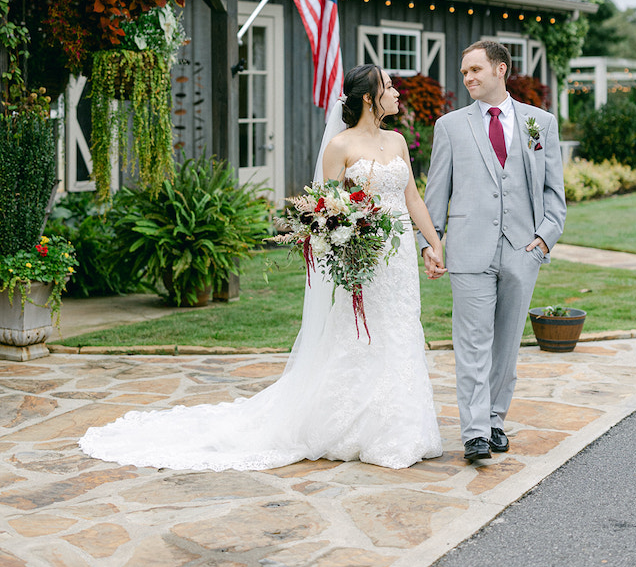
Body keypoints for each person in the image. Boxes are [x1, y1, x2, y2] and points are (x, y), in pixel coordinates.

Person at [79, 64, 444, 471]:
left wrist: (433, 243)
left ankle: (401, 427)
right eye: (389, 87)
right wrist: (345, 236)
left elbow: (412, 198)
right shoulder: (339, 147)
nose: (397, 92)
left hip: (398, 258)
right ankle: (348, 425)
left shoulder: (397, 142)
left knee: (400, 330)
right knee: (360, 334)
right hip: (363, 258)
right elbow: (326, 210)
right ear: (367, 97)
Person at [419, 40, 566, 464]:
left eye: (475, 70)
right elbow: (436, 192)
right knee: (472, 342)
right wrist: (431, 242)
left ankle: (495, 419)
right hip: (469, 252)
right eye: (464, 72)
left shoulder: (541, 123)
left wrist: (543, 239)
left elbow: (554, 192)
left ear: (501, 69)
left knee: (506, 345)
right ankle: (475, 433)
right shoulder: (450, 126)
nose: (467, 79)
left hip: (523, 250)